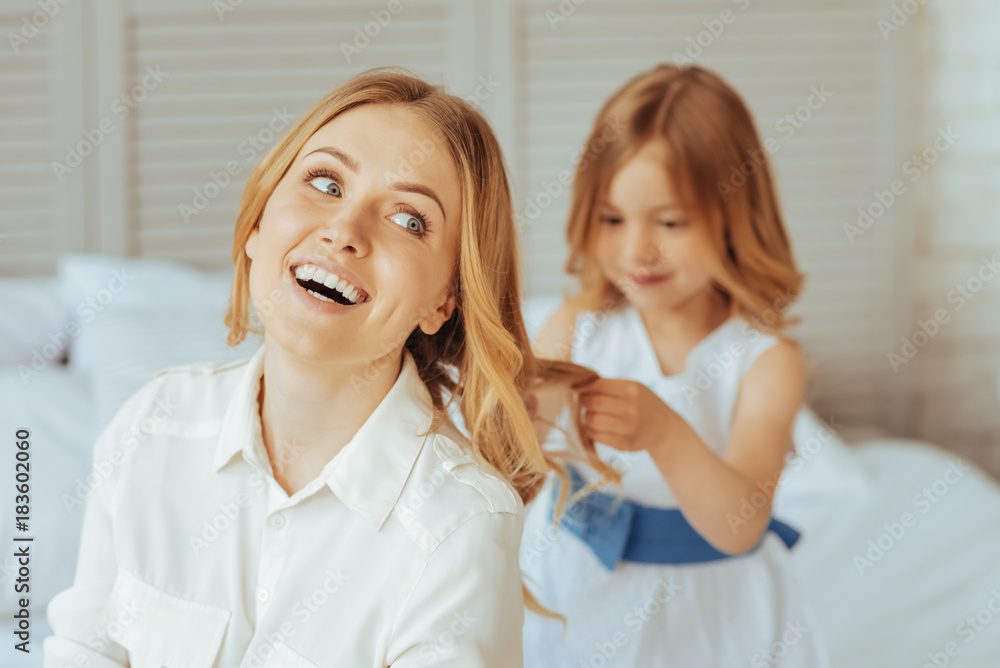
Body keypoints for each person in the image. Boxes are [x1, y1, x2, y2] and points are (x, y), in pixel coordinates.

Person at [43, 68, 609, 668]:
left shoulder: (460, 526)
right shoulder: (151, 427)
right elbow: (86, 648)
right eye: (325, 182)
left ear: (444, 300)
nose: (344, 230)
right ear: (260, 223)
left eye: (409, 219)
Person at [520, 64, 831, 667]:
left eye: (669, 222)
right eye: (612, 219)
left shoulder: (764, 361)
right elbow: (519, 451)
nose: (638, 249)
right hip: (584, 584)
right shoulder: (575, 328)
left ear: (733, 216)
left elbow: (741, 524)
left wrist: (664, 433)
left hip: (712, 607)